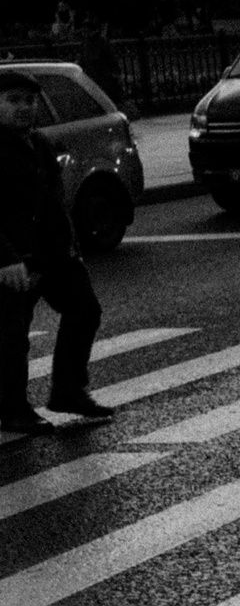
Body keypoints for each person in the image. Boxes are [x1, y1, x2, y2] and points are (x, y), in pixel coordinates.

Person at [0, 70, 113, 431]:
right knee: (12, 335)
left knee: (85, 309)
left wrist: (71, 246)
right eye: (13, 100)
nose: (24, 108)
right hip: (14, 259)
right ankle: (13, 409)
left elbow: (54, 200)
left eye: (29, 101)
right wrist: (4, 258)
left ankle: (68, 391)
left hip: (54, 254)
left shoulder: (40, 143)